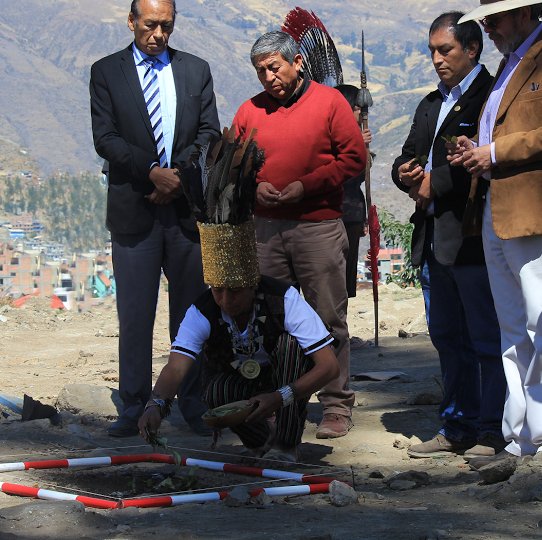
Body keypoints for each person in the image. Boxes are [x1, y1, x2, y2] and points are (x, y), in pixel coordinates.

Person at [447, 0, 542, 466]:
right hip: (497, 207)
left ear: (525, 12)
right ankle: (519, 438)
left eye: (495, 19)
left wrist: (492, 153)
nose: (487, 29)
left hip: (537, 210)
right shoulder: (509, 64)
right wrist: (476, 148)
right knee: (512, 328)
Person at [90, 0, 220, 438]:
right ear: (131, 22)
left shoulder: (195, 70)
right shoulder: (106, 72)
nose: (158, 34)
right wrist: (151, 172)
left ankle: (193, 402)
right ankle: (134, 405)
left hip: (185, 213)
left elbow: (208, 133)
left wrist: (178, 176)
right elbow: (106, 138)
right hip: (134, 213)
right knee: (135, 315)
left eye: (166, 25)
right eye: (150, 25)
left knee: (193, 315)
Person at [231, 31, 367, 439]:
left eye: (274, 67)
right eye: (260, 71)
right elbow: (232, 165)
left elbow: (354, 157)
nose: (268, 77)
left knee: (327, 317)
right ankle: (277, 404)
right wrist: (253, 186)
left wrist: (306, 186)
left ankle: (336, 405)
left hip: (317, 226)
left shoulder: (330, 102)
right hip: (265, 229)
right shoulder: (249, 111)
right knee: (271, 320)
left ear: (297, 62)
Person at [391, 12, 506, 459]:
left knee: (486, 337)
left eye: (446, 50)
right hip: (434, 238)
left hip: (473, 236)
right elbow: (407, 155)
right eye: (432, 52)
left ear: (472, 49)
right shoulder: (429, 103)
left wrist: (434, 183)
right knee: (446, 336)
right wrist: (405, 174)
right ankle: (457, 425)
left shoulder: (491, 96)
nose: (437, 59)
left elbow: (485, 160)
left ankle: (492, 428)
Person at [137, 212, 340, 463]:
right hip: (240, 382)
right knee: (217, 392)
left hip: (286, 377)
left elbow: (329, 367)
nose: (226, 300)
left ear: (253, 283)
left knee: (290, 346)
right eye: (218, 290)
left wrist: (279, 397)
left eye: (234, 291)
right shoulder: (201, 310)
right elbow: (176, 367)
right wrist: (155, 405)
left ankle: (286, 444)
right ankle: (261, 442)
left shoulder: (285, 298)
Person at [335, 84, 371, 298]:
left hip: (352, 214)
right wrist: (357, 144)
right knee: (335, 272)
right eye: (357, 107)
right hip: (336, 214)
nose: (361, 112)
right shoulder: (331, 137)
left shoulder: (355, 135)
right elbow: (343, 174)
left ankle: (342, 318)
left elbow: (359, 178)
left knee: (347, 272)